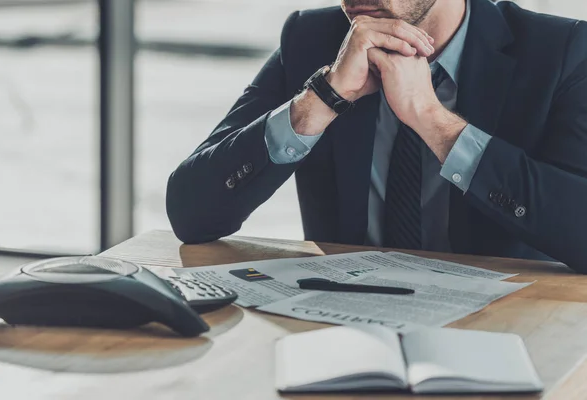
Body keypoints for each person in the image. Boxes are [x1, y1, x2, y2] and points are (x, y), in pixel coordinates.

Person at [166, 0, 587, 273]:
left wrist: (432, 120)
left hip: (510, 328)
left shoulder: (561, 50)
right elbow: (192, 213)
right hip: (345, 329)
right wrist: (324, 98)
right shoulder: (313, 40)